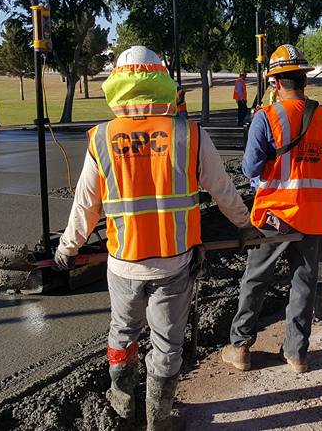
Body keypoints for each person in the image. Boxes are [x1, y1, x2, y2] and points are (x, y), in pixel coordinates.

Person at [53, 46, 259, 431]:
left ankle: (123, 411)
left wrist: (68, 248)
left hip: (124, 265)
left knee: (122, 335)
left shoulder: (102, 138)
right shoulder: (188, 134)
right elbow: (222, 188)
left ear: (118, 85)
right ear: (161, 82)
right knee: (166, 344)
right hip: (173, 265)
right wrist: (244, 225)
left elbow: (86, 205)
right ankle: (158, 420)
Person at [220, 44, 322, 374]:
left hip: (274, 216)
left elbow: (250, 168)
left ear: (275, 84)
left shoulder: (267, 117)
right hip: (313, 216)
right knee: (303, 283)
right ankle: (296, 353)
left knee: (256, 279)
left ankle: (241, 347)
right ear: (305, 80)